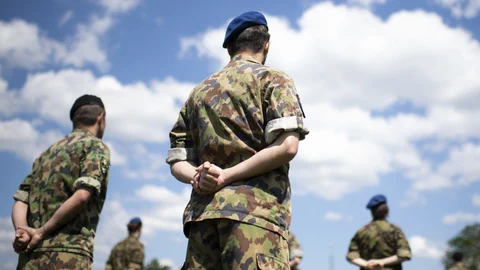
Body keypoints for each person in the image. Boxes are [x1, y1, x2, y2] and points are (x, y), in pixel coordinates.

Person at [167, 11, 308, 269]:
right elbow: (288, 146)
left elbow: (178, 162)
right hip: (255, 219)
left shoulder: (197, 94)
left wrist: (199, 176)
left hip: (203, 219)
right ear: (266, 44)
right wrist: (227, 176)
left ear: (229, 47)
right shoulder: (274, 80)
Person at [11, 94, 110, 269]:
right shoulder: (95, 145)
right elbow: (82, 195)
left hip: (30, 257)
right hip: (68, 255)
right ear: (100, 117)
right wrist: (41, 233)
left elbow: (21, 198)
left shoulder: (46, 154)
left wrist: (22, 232)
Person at [346, 194, 412, 270]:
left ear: (371, 212)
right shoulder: (395, 230)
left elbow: (351, 256)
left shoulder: (361, 232)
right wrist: (381, 262)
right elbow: (404, 254)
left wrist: (367, 264)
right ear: (387, 210)